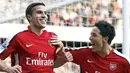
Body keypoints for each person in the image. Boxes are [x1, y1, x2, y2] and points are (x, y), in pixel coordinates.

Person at [0, 2, 63, 73]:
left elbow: (53, 64)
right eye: (39, 12)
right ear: (29, 17)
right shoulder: (18, 37)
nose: (44, 16)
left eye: (45, 13)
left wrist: (61, 48)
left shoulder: (53, 37)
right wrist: (8, 69)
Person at [53, 20, 130, 73]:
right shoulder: (84, 53)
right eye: (90, 34)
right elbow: (53, 64)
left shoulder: (123, 62)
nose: (90, 38)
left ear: (105, 39)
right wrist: (63, 58)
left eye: (94, 35)